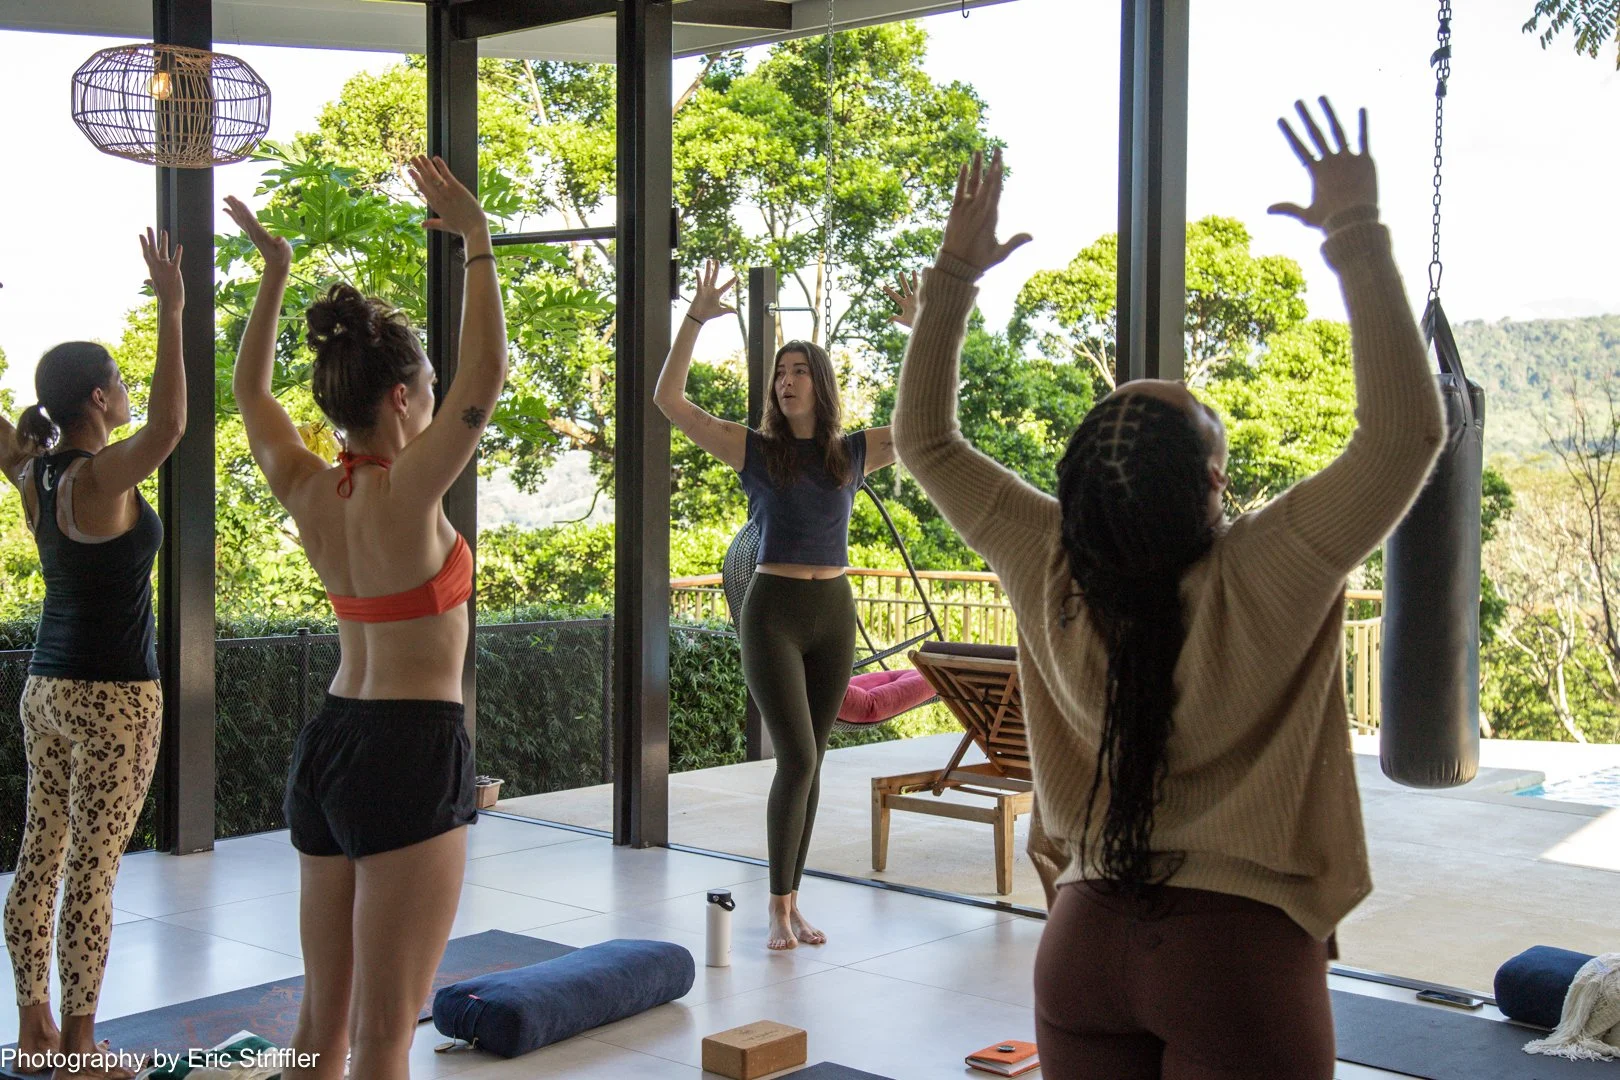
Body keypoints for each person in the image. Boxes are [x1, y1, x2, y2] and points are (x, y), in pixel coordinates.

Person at [892, 102, 1444, 1079]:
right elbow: (1405, 436)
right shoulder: (1272, 567)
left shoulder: (1045, 558)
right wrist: (1354, 233)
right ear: (1217, 485)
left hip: (1084, 940)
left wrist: (956, 277)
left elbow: (925, 443)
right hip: (1236, 956)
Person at [223, 155, 506, 1080]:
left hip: (332, 744)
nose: (435, 400)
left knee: (320, 1028)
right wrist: (477, 241)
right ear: (399, 397)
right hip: (410, 749)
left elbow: (252, 397)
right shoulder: (410, 485)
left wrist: (274, 270)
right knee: (387, 1035)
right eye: (424, 387)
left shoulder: (309, 486)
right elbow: (488, 374)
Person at [655, 261, 896, 951]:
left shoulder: (851, 454)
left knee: (813, 758)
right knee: (796, 757)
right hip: (774, 611)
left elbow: (930, 424)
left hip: (834, 610)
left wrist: (919, 333)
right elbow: (670, 401)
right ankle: (775, 908)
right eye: (778, 372)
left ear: (819, 383)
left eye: (797, 370)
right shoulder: (755, 451)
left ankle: (794, 904)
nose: (784, 379)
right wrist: (696, 318)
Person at [1, 230, 186, 1080]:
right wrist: (173, 310)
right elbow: (176, 422)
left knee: (40, 857)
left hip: (46, 687)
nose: (125, 393)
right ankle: (80, 1048)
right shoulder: (99, 478)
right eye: (116, 382)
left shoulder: (36, 472)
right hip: (115, 696)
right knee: (92, 871)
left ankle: (35, 1028)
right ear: (101, 398)